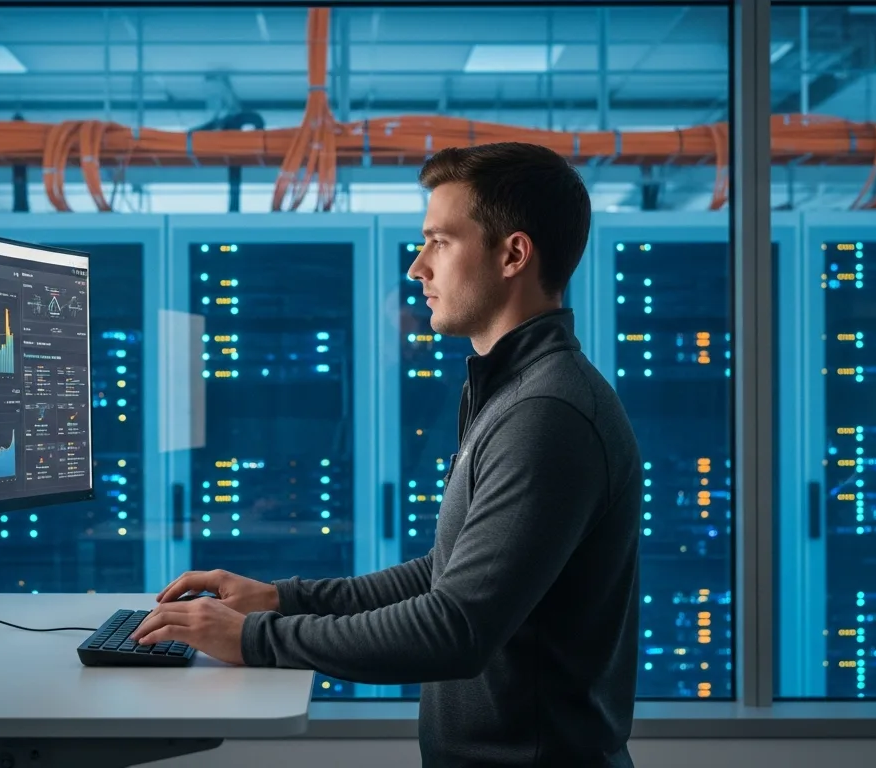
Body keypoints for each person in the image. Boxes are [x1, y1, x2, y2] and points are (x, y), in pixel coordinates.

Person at [132, 141, 643, 767]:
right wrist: (281, 599)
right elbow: (445, 572)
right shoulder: (511, 391)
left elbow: (456, 630)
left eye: (440, 241)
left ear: (513, 253)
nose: (417, 268)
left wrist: (254, 638)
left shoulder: (547, 414)